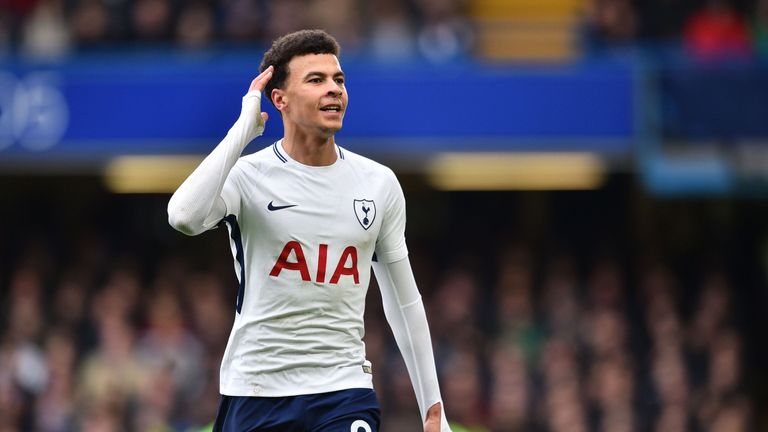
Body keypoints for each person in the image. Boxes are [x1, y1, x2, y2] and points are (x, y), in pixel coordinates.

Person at [167, 29, 451, 432]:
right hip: (256, 391)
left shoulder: (378, 183)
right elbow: (183, 216)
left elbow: (404, 304)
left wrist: (432, 407)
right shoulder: (247, 176)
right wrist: (242, 131)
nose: (334, 90)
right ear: (279, 99)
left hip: (343, 389)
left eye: (338, 79)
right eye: (316, 80)